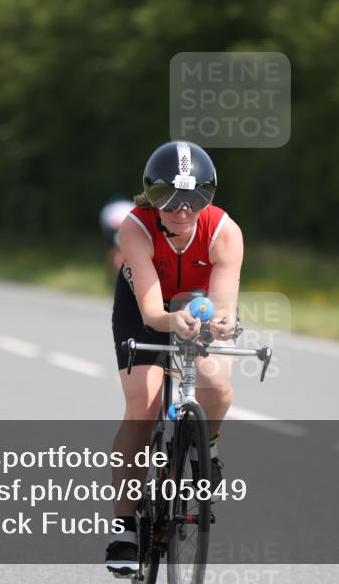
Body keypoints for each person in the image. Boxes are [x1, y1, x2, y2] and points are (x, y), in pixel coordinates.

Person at [105, 141, 243, 577]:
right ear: (152, 195)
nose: (183, 211)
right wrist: (172, 320)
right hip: (145, 309)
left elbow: (224, 306)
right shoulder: (135, 228)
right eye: (170, 200)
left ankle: (209, 448)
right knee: (143, 406)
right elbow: (151, 313)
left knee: (216, 385)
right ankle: (125, 526)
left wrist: (220, 324)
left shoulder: (226, 232)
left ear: (209, 198)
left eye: (195, 200)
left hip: (197, 305)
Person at [99, 195, 135, 281]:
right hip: (129, 226)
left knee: (114, 250)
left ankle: (113, 275)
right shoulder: (130, 205)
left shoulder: (107, 208)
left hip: (113, 226)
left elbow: (105, 227)